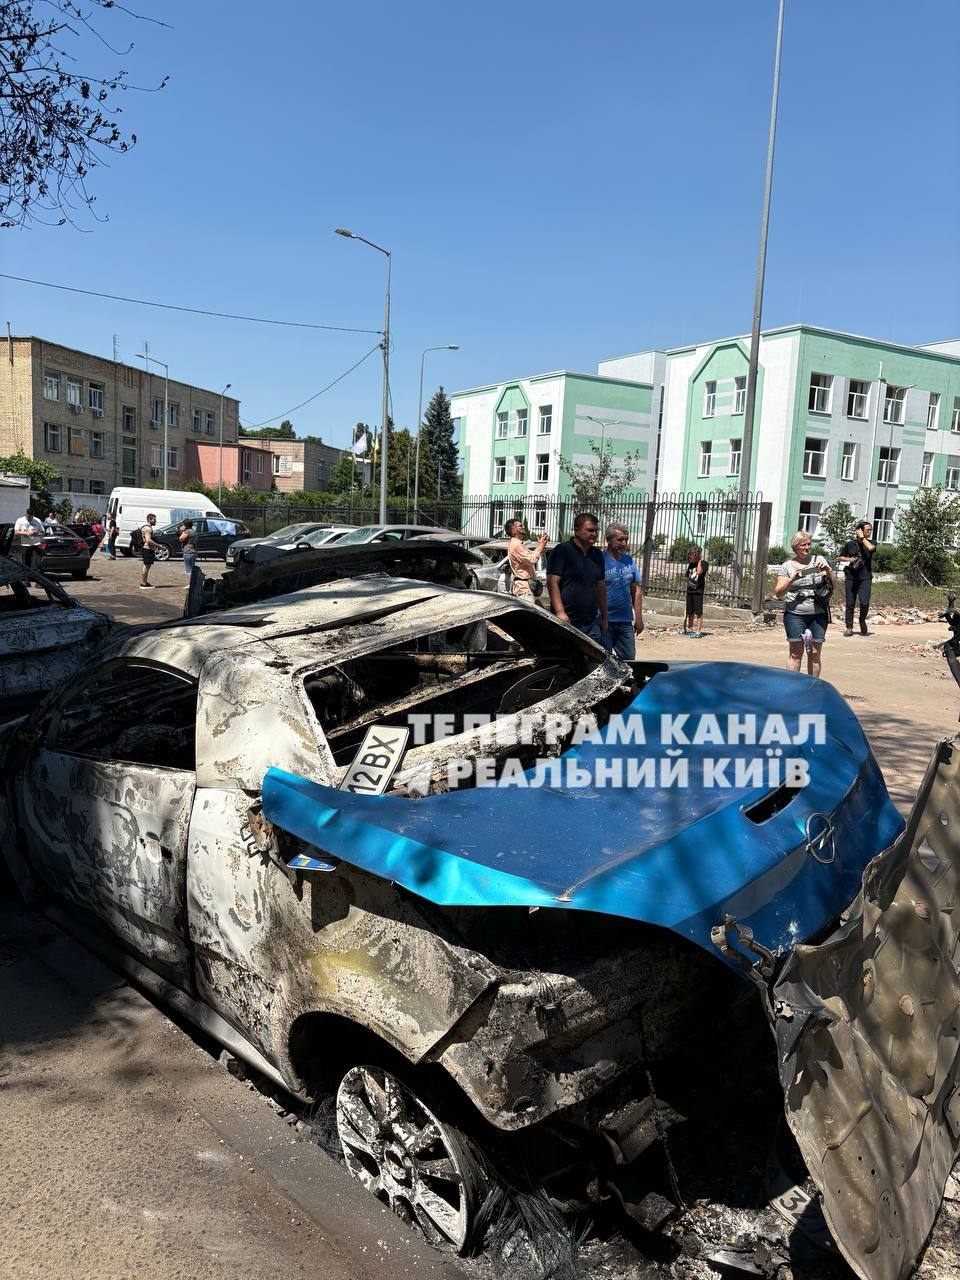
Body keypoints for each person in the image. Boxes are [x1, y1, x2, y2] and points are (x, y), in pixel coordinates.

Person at [774, 531, 836, 678]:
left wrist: (827, 571)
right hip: (795, 614)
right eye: (803, 545)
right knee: (795, 653)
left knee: (814, 653)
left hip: (818, 613)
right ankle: (792, 685)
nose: (807, 547)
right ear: (795, 547)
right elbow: (778, 593)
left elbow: (833, 585)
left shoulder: (819, 560)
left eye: (809, 544)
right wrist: (792, 580)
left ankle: (812, 685)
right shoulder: (787, 566)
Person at [546, 512, 607, 644]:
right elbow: (552, 582)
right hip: (567, 623)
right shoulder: (562, 551)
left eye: (596, 530)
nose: (594, 534)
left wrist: (604, 616)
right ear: (577, 531)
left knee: (591, 657)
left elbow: (600, 586)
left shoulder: (597, 555)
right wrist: (560, 612)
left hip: (591, 624)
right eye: (590, 530)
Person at [601, 522, 644, 659]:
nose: (624, 543)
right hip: (604, 622)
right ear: (608, 540)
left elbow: (636, 591)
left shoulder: (629, 561)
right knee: (604, 661)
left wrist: (639, 618)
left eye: (626, 539)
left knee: (629, 661)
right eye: (619, 540)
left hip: (625, 622)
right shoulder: (599, 560)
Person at [838, 519, 876, 637]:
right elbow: (840, 557)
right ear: (860, 530)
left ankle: (862, 620)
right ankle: (849, 627)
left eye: (871, 530)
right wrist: (849, 559)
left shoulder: (871, 542)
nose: (870, 532)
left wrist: (862, 538)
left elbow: (871, 548)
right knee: (850, 603)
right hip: (851, 577)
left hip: (865, 577)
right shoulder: (850, 544)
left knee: (864, 602)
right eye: (867, 530)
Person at [505, 518, 548, 603]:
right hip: (524, 590)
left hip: (528, 587)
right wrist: (541, 546)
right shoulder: (516, 545)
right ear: (514, 530)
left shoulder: (518, 544)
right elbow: (531, 560)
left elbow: (531, 556)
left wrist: (541, 545)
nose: (523, 527)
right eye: (520, 526)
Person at [682, 546, 708, 637]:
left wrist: (699, 560)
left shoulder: (703, 563)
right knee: (690, 611)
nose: (690, 557)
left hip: (698, 591)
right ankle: (689, 628)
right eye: (690, 555)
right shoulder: (691, 564)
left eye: (692, 555)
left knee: (698, 612)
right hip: (690, 591)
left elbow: (699, 572)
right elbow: (687, 575)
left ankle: (698, 631)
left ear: (697, 555)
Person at [139, 513, 158, 588]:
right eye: (154, 519)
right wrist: (158, 545)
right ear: (149, 519)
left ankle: (144, 582)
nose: (155, 521)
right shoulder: (148, 529)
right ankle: (143, 583)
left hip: (147, 548)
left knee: (146, 566)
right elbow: (148, 540)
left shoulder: (146, 527)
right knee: (146, 566)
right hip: (148, 549)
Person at [179, 518, 199, 583]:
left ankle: (190, 584)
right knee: (192, 568)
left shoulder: (188, 531)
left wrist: (183, 531)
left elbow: (181, 539)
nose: (182, 526)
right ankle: (193, 583)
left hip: (188, 551)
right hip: (193, 551)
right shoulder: (193, 531)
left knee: (189, 569)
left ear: (185, 525)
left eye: (183, 524)